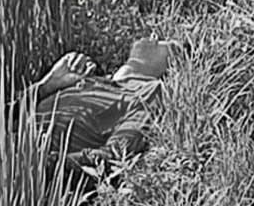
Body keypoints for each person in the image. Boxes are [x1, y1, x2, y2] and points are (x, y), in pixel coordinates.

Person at [17, 38, 188, 184]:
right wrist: (47, 86)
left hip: (21, 172)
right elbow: (0, 115)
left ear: (174, 64)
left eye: (167, 42)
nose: (152, 37)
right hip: (0, 152)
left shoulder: (148, 93)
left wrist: (36, 164)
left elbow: (114, 156)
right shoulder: (84, 80)